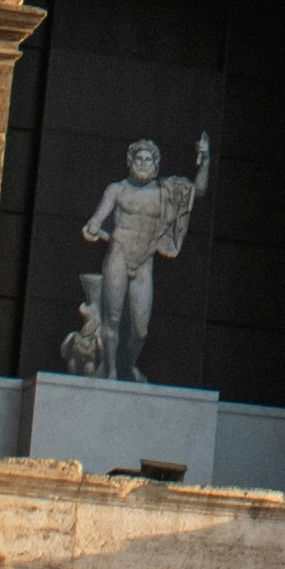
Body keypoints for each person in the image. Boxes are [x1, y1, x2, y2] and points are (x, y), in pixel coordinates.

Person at [65, 127, 211, 382]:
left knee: (141, 330)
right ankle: (110, 371)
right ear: (131, 162)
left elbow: (198, 191)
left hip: (144, 262)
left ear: (156, 164)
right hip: (119, 254)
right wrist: (93, 227)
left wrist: (205, 160)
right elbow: (97, 219)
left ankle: (125, 363)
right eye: (139, 159)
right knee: (112, 318)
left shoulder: (165, 192)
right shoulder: (117, 190)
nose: (143, 163)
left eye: (148, 159)